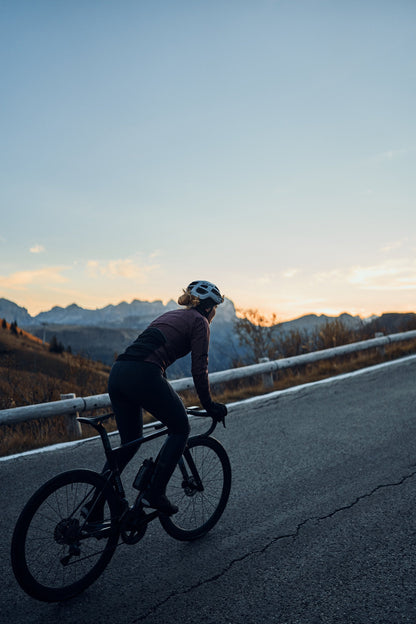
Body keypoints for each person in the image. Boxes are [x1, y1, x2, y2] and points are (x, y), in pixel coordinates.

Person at [107, 280, 228, 515]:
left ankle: (95, 504)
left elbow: (153, 352)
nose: (214, 313)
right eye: (215, 308)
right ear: (208, 307)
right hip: (144, 374)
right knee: (181, 427)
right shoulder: (200, 322)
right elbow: (199, 369)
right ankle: (154, 493)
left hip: (118, 373)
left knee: (130, 441)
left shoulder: (171, 315)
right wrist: (209, 405)